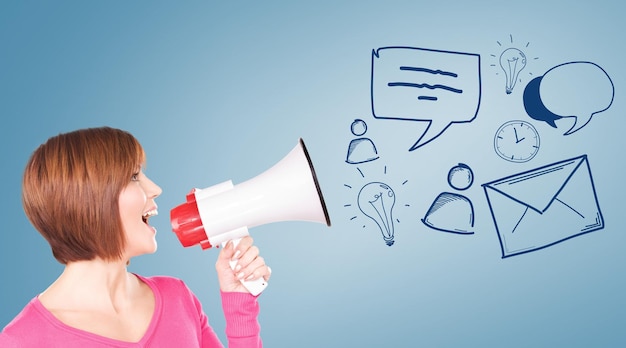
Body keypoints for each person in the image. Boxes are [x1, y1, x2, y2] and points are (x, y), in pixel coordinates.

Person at [0, 127, 271, 347]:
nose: (156, 189)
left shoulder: (177, 297)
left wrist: (239, 304)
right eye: (133, 176)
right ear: (88, 200)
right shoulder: (22, 340)